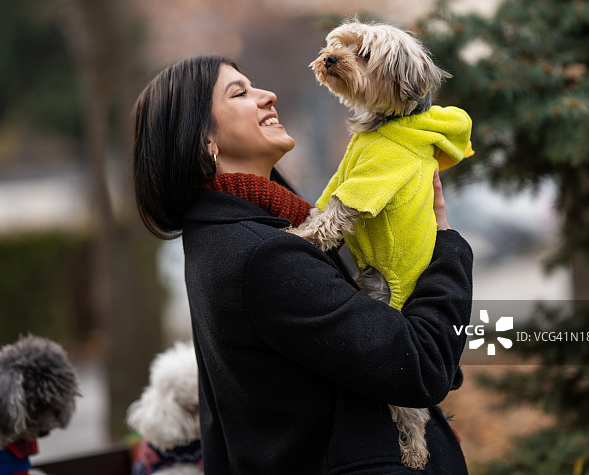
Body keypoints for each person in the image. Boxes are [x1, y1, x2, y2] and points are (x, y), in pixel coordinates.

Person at [132, 55, 473, 474]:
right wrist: (444, 243)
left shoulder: (230, 236)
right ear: (205, 142)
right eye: (239, 93)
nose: (268, 96)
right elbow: (420, 366)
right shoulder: (264, 255)